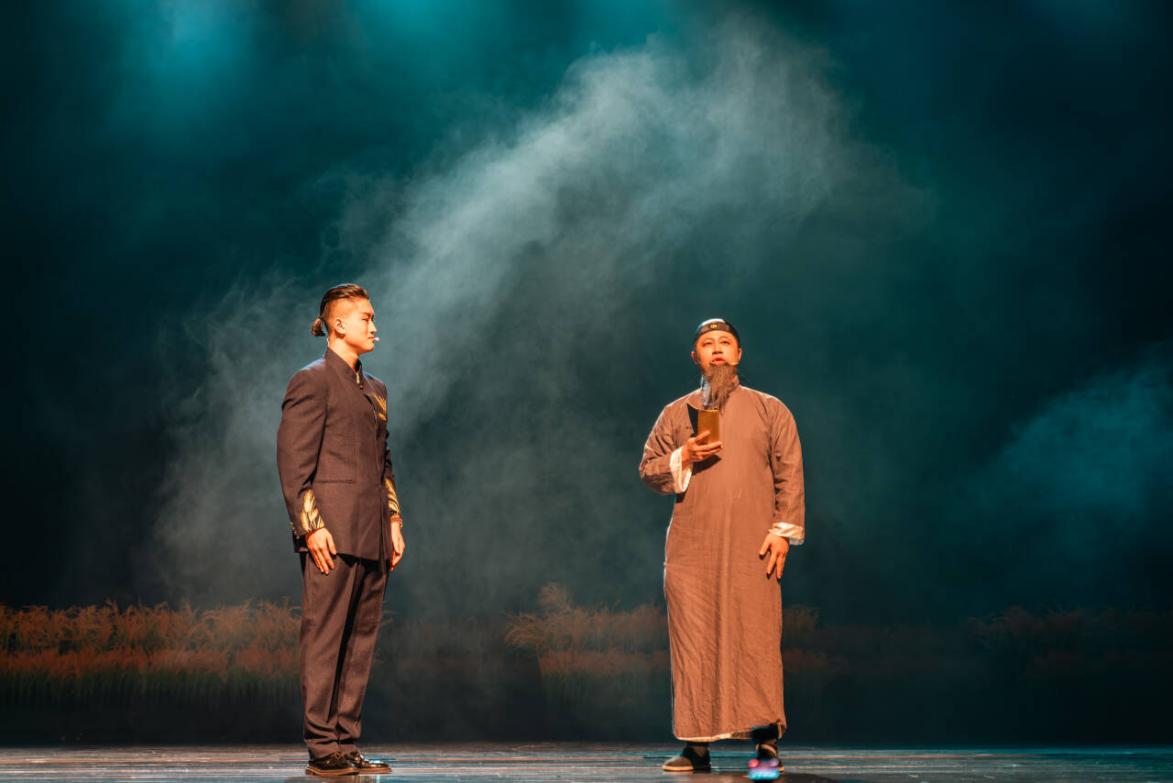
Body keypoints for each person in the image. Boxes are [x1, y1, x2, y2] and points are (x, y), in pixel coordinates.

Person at [639, 318, 805, 776]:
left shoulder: (770, 409)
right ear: (695, 357)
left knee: (756, 638)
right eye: (707, 344)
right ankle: (696, 747)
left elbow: (789, 471)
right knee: (694, 641)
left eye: (725, 343)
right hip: (692, 548)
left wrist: (782, 531)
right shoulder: (677, 413)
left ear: (738, 354)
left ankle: (765, 743)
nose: (717, 350)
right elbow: (648, 469)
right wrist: (684, 456)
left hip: (752, 544)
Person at [277, 283, 406, 777]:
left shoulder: (376, 389)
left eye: (373, 318)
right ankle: (321, 746)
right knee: (325, 638)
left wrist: (393, 520)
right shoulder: (311, 381)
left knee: (360, 641)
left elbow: (383, 461)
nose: (374, 326)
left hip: (372, 531)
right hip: (331, 531)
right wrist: (311, 527)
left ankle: (346, 742)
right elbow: (294, 463)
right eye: (366, 318)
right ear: (338, 324)